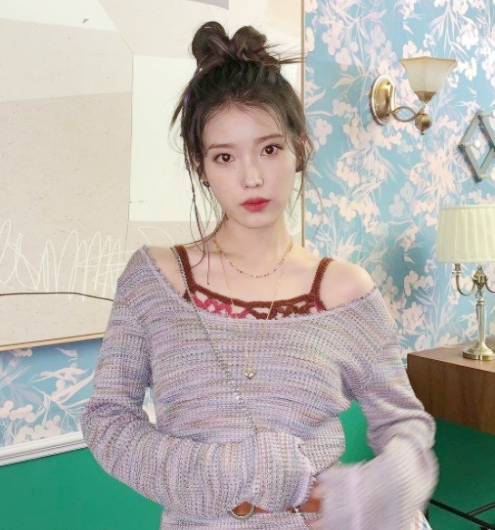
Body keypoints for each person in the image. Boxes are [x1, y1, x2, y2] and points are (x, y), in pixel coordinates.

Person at [81, 21, 437, 529]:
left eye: (269, 149)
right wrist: (238, 472)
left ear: (299, 148)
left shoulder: (346, 290)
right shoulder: (154, 280)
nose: (251, 177)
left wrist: (363, 495)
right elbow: (108, 421)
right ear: (200, 165)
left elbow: (406, 425)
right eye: (225, 157)